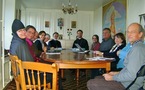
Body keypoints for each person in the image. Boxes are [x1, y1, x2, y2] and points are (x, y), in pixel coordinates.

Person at [87, 23, 145, 90]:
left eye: (133, 32)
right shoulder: (136, 46)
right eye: (128, 32)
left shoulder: (138, 49)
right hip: (127, 81)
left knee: (91, 83)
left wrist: (113, 77)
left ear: (140, 34)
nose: (129, 34)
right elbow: (131, 69)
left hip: (128, 85)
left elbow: (131, 75)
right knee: (97, 78)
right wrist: (116, 73)